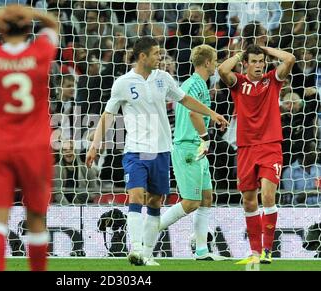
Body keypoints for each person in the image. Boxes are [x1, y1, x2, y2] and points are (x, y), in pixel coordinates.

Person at [85, 37, 228, 266]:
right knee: (136, 195)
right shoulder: (123, 83)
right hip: (136, 151)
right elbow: (108, 114)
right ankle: (137, 248)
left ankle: (148, 254)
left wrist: (211, 114)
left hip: (162, 150)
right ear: (142, 57)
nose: (160, 58)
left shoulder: (164, 78)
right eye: (156, 54)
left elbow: (186, 100)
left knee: (154, 202)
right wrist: (95, 145)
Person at [0, 4, 58, 271]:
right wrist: (29, 11)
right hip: (34, 146)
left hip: (0, 145)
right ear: (29, 27)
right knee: (36, 217)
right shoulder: (40, 52)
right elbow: (53, 24)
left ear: (1, 28)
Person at [218, 44, 295, 264]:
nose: (259, 65)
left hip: (270, 146)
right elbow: (223, 70)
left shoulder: (272, 80)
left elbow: (289, 58)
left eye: (261, 61)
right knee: (249, 201)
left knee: (268, 195)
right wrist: (241, 54)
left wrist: (266, 50)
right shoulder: (239, 83)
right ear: (245, 64)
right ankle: (254, 251)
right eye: (254, 61)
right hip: (245, 148)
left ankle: (267, 250)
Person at [158, 44, 226, 261]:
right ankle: (146, 234)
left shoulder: (197, 85)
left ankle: (202, 251)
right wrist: (206, 138)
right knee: (191, 202)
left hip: (196, 147)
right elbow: (193, 116)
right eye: (214, 61)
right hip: (189, 147)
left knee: (207, 198)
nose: (215, 65)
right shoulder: (195, 85)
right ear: (207, 62)